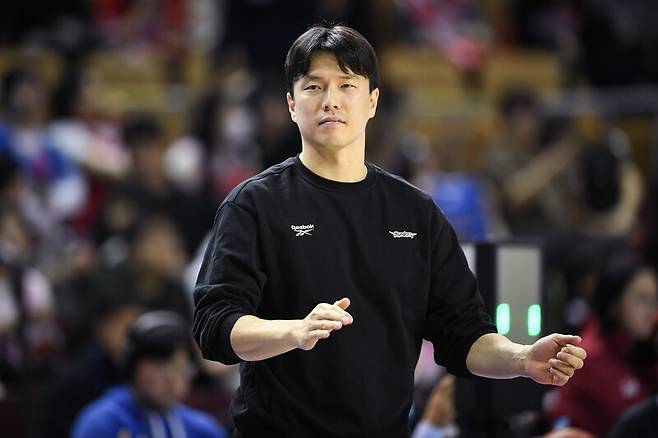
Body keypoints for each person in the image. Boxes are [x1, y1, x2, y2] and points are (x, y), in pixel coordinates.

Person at [193, 24, 587, 437]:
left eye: (347, 85)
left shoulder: (416, 212)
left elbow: (465, 334)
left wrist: (522, 358)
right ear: (292, 104)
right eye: (313, 87)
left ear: (372, 102)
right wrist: (293, 331)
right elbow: (214, 325)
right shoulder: (255, 204)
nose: (330, 100)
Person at [547, 253, 658, 436]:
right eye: (642, 299)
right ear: (614, 303)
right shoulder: (588, 357)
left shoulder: (644, 351)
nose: (652, 312)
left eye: (655, 300)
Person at [72, 310, 228, 438]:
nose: (172, 379)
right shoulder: (104, 423)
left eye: (181, 369)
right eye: (160, 367)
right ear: (132, 368)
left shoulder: (203, 430)